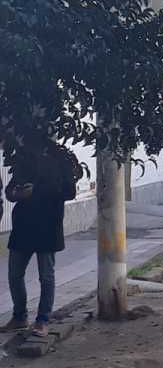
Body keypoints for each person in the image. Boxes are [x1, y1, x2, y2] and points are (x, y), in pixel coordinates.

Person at [2, 142, 79, 337]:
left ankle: (43, 320)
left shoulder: (62, 159)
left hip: (47, 226)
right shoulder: (23, 157)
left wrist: (34, 192)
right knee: (14, 274)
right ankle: (20, 316)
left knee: (46, 276)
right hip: (23, 227)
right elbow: (10, 189)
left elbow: (69, 192)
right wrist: (14, 194)